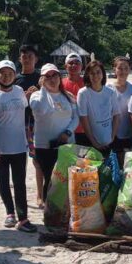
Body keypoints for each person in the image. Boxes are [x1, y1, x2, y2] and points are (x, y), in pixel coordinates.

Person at [0, 60, 36, 233]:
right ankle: (9, 213)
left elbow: (26, 112)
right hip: (0, 146)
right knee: (3, 181)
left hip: (19, 145)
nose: (6, 76)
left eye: (10, 73)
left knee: (20, 183)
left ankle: (23, 218)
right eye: (3, 73)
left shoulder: (20, 91)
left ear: (15, 74)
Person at [29, 63, 78, 200]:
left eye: (54, 75)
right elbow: (42, 109)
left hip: (67, 143)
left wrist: (68, 132)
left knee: (68, 178)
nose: (52, 79)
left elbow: (76, 117)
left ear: (59, 76)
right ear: (42, 79)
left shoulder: (68, 96)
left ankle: (66, 211)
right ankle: (49, 211)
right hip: (45, 146)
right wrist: (43, 88)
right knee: (51, 180)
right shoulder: (36, 96)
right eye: (47, 76)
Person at [15, 44, 44, 208]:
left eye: (30, 56)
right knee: (18, 161)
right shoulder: (14, 78)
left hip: (36, 122)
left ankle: (40, 195)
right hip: (18, 123)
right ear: (20, 59)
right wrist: (24, 98)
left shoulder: (42, 78)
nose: (26, 59)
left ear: (36, 59)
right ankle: (20, 196)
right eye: (24, 56)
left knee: (37, 161)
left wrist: (39, 91)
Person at [77, 60, 120, 156]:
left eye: (98, 72)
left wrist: (112, 137)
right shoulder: (83, 93)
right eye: (92, 73)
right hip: (91, 142)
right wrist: (94, 142)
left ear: (103, 74)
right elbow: (84, 119)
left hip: (109, 140)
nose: (95, 75)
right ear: (88, 75)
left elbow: (116, 115)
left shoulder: (111, 92)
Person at [107, 56, 132, 163]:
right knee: (113, 165)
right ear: (114, 69)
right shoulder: (108, 88)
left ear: (129, 69)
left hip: (129, 132)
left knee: (128, 165)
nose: (123, 71)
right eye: (120, 68)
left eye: (126, 68)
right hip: (112, 133)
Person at [61, 53, 86, 145]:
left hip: (85, 129)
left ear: (81, 66)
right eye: (70, 63)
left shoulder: (88, 83)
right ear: (65, 66)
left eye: (77, 63)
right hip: (65, 130)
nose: (74, 65)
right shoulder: (59, 84)